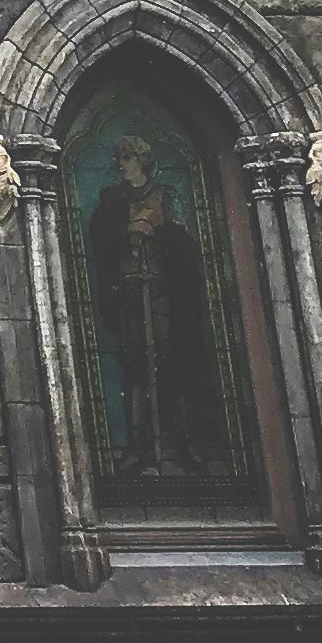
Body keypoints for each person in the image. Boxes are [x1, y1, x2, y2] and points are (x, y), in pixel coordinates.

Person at [85, 125, 231, 484]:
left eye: (129, 158)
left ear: (143, 162)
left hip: (165, 295)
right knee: (136, 366)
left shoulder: (165, 196)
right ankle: (139, 445)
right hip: (131, 294)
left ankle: (181, 443)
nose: (123, 165)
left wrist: (159, 231)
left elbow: (184, 247)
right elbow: (102, 242)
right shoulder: (112, 201)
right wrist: (126, 232)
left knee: (169, 363)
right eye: (119, 159)